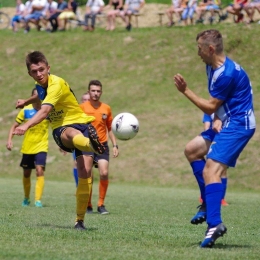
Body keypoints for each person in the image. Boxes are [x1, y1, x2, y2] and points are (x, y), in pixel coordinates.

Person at [174, 29, 255, 248]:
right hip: (227, 121)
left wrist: (185, 91)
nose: (197, 52)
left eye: (200, 48)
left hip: (238, 126)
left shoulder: (225, 73)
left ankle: (214, 223)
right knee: (192, 150)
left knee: (212, 170)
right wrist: (217, 117)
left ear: (210, 49)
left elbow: (210, 105)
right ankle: (207, 206)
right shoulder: (212, 67)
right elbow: (219, 105)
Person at [14, 51, 105, 230]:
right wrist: (26, 101)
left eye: (42, 69)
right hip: (61, 128)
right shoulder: (40, 84)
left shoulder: (56, 84)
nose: (39, 74)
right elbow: (40, 96)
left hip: (83, 125)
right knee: (70, 134)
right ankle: (91, 145)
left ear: (49, 68)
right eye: (35, 71)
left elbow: (44, 111)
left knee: (85, 172)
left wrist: (26, 126)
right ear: (30, 73)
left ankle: (79, 221)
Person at [79, 80, 119, 215]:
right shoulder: (82, 107)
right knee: (88, 174)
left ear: (101, 92)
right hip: (87, 145)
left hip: (102, 145)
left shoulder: (106, 108)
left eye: (98, 91)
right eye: (93, 91)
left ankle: (101, 204)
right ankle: (88, 204)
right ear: (89, 91)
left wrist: (115, 145)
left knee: (104, 173)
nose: (95, 93)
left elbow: (110, 128)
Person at [6, 88, 49, 208]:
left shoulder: (46, 112)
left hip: (42, 146)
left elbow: (56, 125)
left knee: (39, 170)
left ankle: (38, 200)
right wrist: (9, 140)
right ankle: (26, 198)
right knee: (26, 173)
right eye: (35, 96)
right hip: (27, 147)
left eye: (39, 95)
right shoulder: (25, 111)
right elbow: (13, 126)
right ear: (31, 97)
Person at [72, 92, 91, 186]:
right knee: (77, 163)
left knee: (88, 167)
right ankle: (78, 186)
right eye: (84, 100)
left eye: (88, 100)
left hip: (90, 142)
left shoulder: (93, 113)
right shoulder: (76, 111)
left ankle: (87, 188)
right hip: (78, 140)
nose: (86, 102)